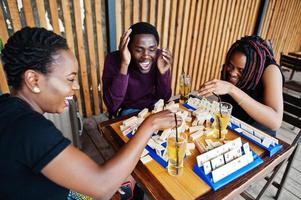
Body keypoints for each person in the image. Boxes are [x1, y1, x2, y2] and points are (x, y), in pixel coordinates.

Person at [0, 27, 180, 199]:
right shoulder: (31, 129)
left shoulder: (8, 109)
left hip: (55, 189)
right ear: (33, 80)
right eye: (70, 79)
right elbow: (102, 187)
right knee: (124, 186)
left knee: (127, 180)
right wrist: (150, 124)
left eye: (152, 48)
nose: (76, 86)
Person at [198, 36, 283, 136]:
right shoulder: (229, 69)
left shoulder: (271, 71)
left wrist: (231, 89)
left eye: (241, 70)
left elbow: (275, 122)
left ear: (254, 69)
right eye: (230, 65)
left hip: (257, 136)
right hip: (233, 127)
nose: (233, 73)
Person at [102, 22, 172, 117]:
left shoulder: (159, 57)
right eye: (139, 50)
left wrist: (163, 74)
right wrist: (124, 64)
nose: (146, 56)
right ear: (128, 48)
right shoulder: (113, 60)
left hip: (154, 107)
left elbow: (164, 98)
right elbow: (112, 105)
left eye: (152, 49)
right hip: (129, 110)